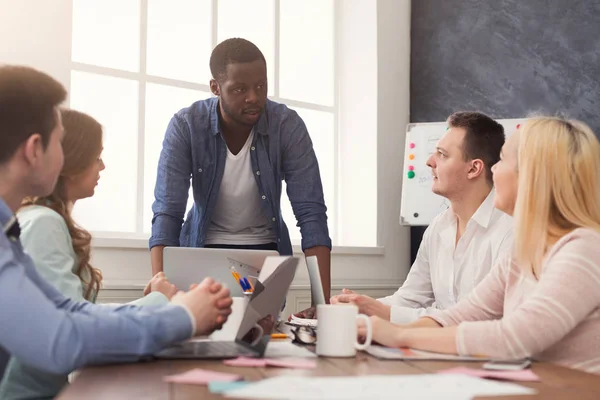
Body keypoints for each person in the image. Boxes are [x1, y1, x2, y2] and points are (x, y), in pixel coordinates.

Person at [0, 65, 232, 382]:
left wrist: (175, 309)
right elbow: (61, 339)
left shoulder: (8, 235)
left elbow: (70, 310)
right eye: (59, 142)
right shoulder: (33, 226)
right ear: (33, 150)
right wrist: (184, 316)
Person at [360, 117, 600, 375]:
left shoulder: (584, 248)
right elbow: (458, 317)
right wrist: (376, 328)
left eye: (503, 161)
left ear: (532, 176)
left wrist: (399, 336)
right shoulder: (524, 251)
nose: (493, 170)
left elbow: (513, 337)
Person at [0, 109, 181, 399]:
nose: (103, 166)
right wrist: (158, 301)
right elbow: (73, 327)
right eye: (97, 157)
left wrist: (148, 302)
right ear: (71, 161)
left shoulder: (42, 219)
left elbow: (76, 313)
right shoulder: (44, 223)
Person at [150, 38, 331, 317]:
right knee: (202, 329)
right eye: (239, 89)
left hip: (265, 256)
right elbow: (167, 212)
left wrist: (322, 305)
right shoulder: (186, 126)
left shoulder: (287, 126)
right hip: (203, 250)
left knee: (257, 333)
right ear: (215, 88)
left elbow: (311, 214)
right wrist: (160, 293)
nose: (253, 97)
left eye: (261, 86)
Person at [331, 112, 514, 323]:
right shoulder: (438, 227)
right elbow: (410, 298)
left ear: (473, 168)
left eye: (442, 155)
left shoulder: (510, 229)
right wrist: (356, 306)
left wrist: (380, 311)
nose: (429, 162)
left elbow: (478, 318)